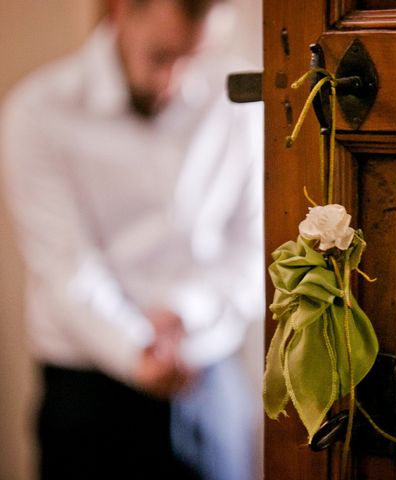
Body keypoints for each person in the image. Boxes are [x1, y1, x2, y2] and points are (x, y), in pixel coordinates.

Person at [0, 1, 264, 479]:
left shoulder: (236, 102)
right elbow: (64, 264)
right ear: (121, 11)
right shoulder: (37, 112)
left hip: (209, 381)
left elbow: (253, 250)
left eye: (194, 55)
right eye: (162, 55)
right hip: (87, 396)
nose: (177, 78)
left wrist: (184, 310)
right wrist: (137, 347)